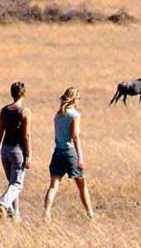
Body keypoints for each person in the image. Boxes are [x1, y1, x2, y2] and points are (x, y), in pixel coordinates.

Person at [42, 87, 94, 220]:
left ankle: (47, 212)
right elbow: (75, 136)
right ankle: (90, 214)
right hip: (70, 152)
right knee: (82, 185)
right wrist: (80, 157)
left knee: (53, 185)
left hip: (58, 151)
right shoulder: (74, 115)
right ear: (74, 99)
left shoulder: (58, 114)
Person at [0, 81, 32, 221]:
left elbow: (0, 131)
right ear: (24, 94)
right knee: (16, 184)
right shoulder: (25, 112)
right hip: (18, 151)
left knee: (12, 185)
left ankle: (15, 215)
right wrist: (28, 155)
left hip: (5, 150)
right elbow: (26, 135)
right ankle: (3, 203)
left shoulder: (4, 110)